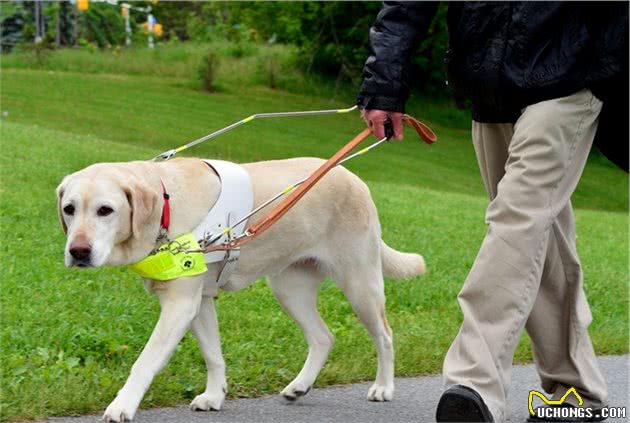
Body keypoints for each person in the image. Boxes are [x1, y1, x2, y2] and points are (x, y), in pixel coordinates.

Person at [357, 2, 628, 422]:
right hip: (489, 86)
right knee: (538, 234)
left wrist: (607, 65)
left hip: (568, 78)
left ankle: (475, 380)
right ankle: (577, 392)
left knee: (516, 223)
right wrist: (384, 82)